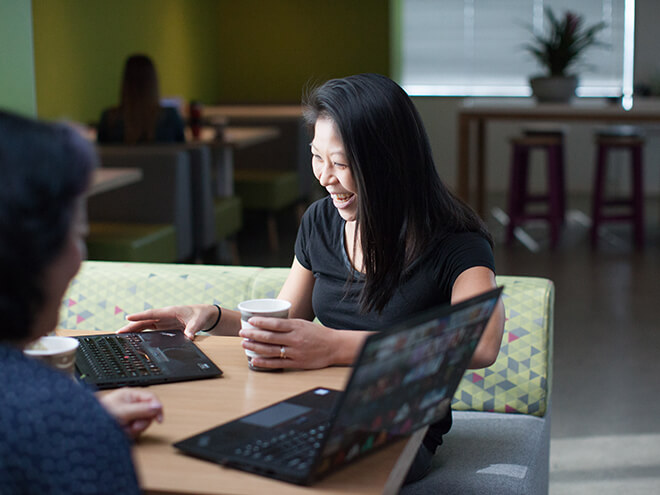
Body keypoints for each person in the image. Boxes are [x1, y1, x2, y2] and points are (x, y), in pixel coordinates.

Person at [118, 73, 505, 483]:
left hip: (400, 423)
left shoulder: (455, 241)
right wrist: (210, 316)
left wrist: (334, 346)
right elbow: (284, 320)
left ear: (389, 160)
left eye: (341, 163)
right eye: (317, 157)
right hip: (319, 404)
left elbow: (481, 344)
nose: (324, 176)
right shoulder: (320, 221)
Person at [0, 110, 163, 493]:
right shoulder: (67, 426)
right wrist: (77, 421)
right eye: (76, 233)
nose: (79, 258)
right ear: (32, 252)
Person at [97, 54, 185, 144]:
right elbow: (183, 149)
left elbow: (100, 151)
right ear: (153, 82)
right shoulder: (170, 116)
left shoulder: (109, 119)